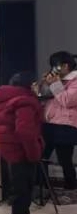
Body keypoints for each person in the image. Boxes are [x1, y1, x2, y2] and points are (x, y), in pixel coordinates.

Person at [0, 72, 46, 214]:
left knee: (19, 195)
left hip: (10, 152)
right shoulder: (25, 101)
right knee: (22, 197)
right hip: (22, 154)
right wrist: (34, 154)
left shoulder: (3, 99)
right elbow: (25, 132)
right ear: (29, 85)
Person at [39, 51, 77, 193]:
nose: (53, 69)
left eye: (55, 66)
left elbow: (67, 100)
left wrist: (55, 84)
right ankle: (42, 187)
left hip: (65, 125)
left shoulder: (75, 81)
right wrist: (45, 83)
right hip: (49, 122)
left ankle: (71, 188)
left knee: (64, 159)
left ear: (65, 66)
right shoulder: (58, 79)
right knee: (41, 156)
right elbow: (43, 96)